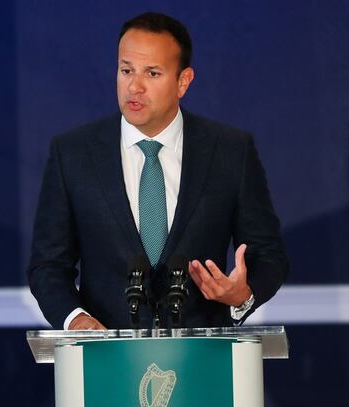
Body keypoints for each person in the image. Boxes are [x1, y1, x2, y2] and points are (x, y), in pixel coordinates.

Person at [28, 12, 288, 330]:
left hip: (202, 356)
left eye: (152, 73)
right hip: (105, 359)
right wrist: (76, 319)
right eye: (126, 71)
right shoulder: (73, 154)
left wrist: (242, 296)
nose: (134, 86)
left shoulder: (230, 151)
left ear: (183, 81)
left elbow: (268, 255)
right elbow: (48, 265)